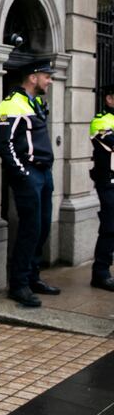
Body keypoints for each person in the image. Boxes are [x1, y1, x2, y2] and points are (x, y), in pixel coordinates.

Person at [0, 59, 61, 307]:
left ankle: (33, 277)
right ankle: (19, 284)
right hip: (30, 175)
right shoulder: (11, 105)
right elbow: (3, 144)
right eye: (47, 76)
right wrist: (24, 174)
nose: (50, 80)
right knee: (30, 229)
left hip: (44, 174)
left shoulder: (37, 103)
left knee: (42, 227)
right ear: (33, 77)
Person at [89, 84, 114, 291]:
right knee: (109, 227)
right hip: (108, 183)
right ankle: (100, 273)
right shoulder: (101, 120)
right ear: (109, 99)